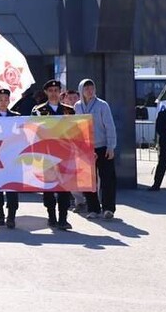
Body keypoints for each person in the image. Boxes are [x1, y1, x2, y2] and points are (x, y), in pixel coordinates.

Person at [31, 79, 75, 230]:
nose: (54, 93)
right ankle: (51, 216)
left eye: (56, 91)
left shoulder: (70, 111)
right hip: (46, 155)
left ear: (60, 92)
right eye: (51, 91)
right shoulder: (38, 110)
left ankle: (63, 218)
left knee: (64, 187)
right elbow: (33, 132)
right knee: (49, 188)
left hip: (65, 155)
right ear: (46, 92)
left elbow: (77, 133)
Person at [76, 78, 118, 219]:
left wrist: (111, 147)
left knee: (107, 178)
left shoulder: (102, 105)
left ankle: (108, 208)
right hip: (86, 148)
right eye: (86, 88)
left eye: (91, 88)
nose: (89, 91)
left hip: (103, 146)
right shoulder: (77, 106)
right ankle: (93, 208)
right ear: (81, 90)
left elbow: (110, 127)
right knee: (88, 180)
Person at [0, 88, 21, 228]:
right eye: (0, 99)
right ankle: (0, 214)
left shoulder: (16, 116)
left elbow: (21, 135)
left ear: (9, 100)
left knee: (12, 188)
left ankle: (11, 216)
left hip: (12, 157)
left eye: (5, 99)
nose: (3, 102)